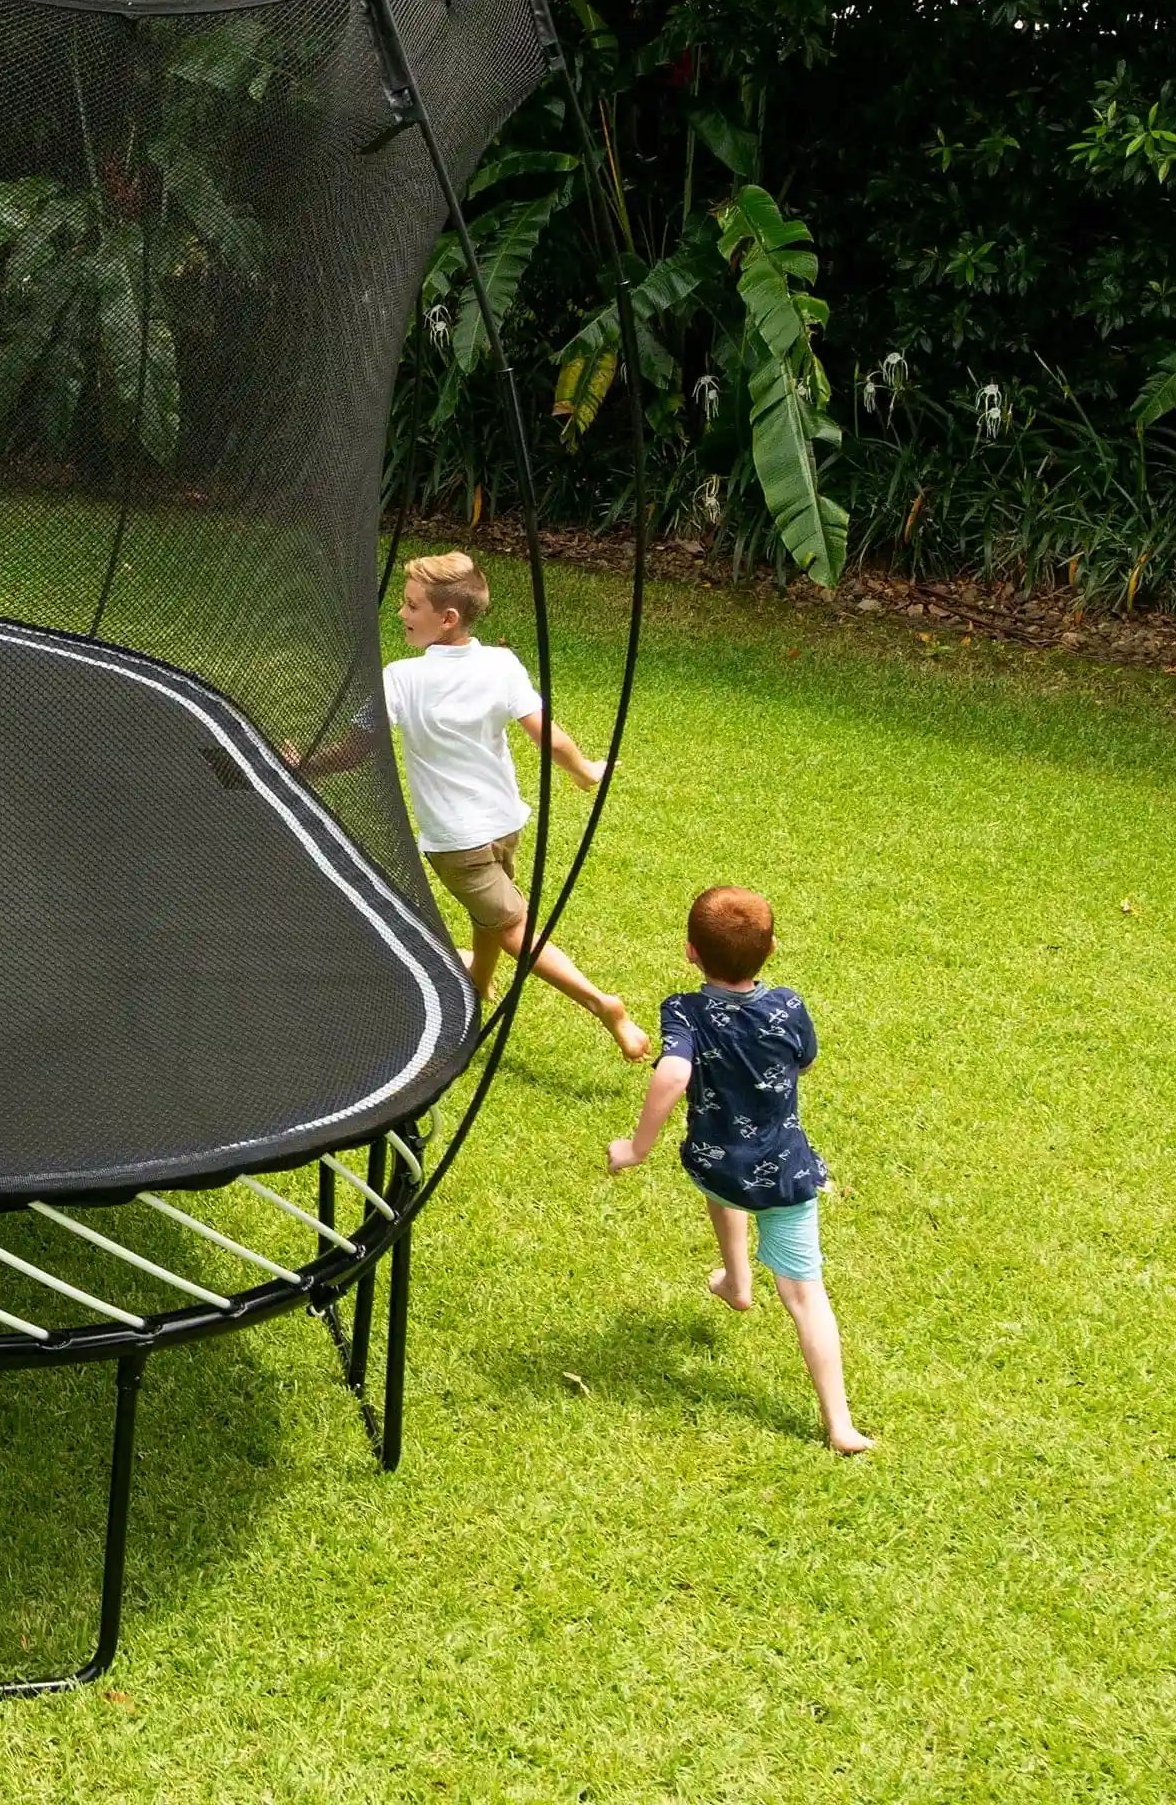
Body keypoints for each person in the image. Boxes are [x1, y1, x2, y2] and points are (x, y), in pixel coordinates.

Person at [300, 550, 649, 1059]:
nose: (401, 614)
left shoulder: (400, 678)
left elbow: (357, 750)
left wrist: (305, 764)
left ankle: (602, 1004)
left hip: (455, 842)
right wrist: (586, 771)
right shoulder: (501, 664)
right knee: (491, 914)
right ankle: (479, 981)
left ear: (447, 619)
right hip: (505, 823)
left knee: (512, 926)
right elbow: (547, 737)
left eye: (411, 605)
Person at [607, 886, 875, 1454]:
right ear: (771, 948)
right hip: (785, 1177)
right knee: (806, 1296)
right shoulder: (789, 1007)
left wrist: (636, 1147)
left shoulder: (683, 1011)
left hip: (717, 1165)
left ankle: (735, 1279)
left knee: (721, 1189)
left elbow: (673, 1074)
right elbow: (806, 1059)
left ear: (690, 953)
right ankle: (840, 1425)